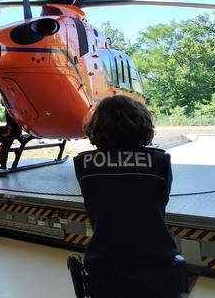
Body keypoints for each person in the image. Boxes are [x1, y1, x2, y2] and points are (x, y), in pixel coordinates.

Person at [73, 95, 185, 298]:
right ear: (142, 124)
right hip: (157, 265)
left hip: (104, 266)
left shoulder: (83, 163)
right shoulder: (160, 161)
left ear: (97, 127)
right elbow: (160, 202)